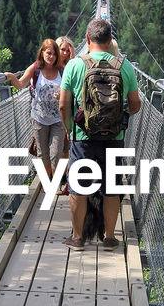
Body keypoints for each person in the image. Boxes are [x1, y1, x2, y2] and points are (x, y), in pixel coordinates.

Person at [58, 18, 141, 250]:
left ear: (87, 39)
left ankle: (77, 237)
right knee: (112, 188)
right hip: (113, 138)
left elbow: (63, 106)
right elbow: (135, 104)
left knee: (79, 187)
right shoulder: (124, 66)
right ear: (110, 40)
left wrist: (69, 130)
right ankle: (110, 237)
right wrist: (121, 116)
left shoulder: (75, 65)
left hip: (83, 138)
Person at [6, 39, 63, 177]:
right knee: (43, 154)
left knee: (56, 153)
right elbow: (20, 84)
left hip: (58, 118)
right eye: (48, 53)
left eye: (54, 54)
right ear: (42, 52)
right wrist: (11, 77)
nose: (51, 56)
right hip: (39, 117)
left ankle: (54, 183)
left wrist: (61, 95)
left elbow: (70, 91)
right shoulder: (36, 68)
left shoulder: (62, 69)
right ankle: (48, 182)